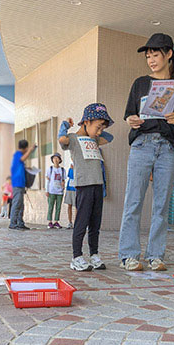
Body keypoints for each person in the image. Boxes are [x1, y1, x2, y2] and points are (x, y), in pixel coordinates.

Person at [119, 33, 174, 271]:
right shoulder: (140, 83)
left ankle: (155, 255)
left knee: (161, 205)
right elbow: (128, 116)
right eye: (148, 56)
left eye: (155, 54)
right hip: (142, 144)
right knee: (133, 201)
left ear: (169, 54)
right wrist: (131, 120)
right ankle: (129, 256)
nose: (151, 60)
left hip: (167, 148)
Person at [60, 104, 115, 270]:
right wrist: (65, 126)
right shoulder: (73, 139)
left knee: (95, 223)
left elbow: (110, 137)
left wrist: (97, 129)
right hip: (84, 186)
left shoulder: (95, 139)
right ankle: (76, 257)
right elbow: (62, 140)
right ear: (86, 122)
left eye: (101, 128)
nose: (100, 132)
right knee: (81, 222)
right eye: (98, 127)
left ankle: (94, 255)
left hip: (98, 185)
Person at [9, 138, 36, 231]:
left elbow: (20, 166)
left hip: (21, 183)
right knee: (17, 204)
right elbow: (23, 158)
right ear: (25, 148)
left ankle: (20, 223)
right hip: (17, 183)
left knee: (21, 205)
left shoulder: (19, 157)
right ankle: (13, 223)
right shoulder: (17, 154)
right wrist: (30, 150)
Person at [45, 152, 66, 229]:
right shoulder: (50, 169)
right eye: (54, 158)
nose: (55, 159)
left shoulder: (62, 170)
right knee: (50, 206)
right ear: (52, 160)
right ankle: (49, 222)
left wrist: (63, 185)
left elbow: (63, 180)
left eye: (57, 158)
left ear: (60, 160)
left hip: (60, 191)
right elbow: (47, 180)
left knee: (58, 207)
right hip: (51, 191)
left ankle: (56, 221)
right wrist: (46, 190)